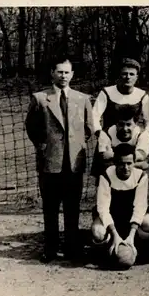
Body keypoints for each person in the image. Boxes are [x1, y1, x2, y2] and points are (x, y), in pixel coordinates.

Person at [25, 56, 94, 263]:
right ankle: (50, 248)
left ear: (72, 75)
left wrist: (75, 144)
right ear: (52, 74)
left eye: (67, 72)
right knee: (51, 208)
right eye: (59, 72)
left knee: (72, 207)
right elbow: (31, 126)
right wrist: (44, 145)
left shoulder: (83, 99)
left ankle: (73, 248)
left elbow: (89, 128)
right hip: (50, 162)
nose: (63, 76)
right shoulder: (40, 98)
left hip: (74, 162)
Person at [91, 58, 149, 183]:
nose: (127, 77)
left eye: (131, 74)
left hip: (131, 141)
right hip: (109, 140)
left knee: (130, 178)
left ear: (136, 77)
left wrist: (146, 133)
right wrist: (100, 133)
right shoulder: (106, 92)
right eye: (124, 73)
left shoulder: (142, 95)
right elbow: (94, 116)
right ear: (119, 75)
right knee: (105, 180)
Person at [91, 143, 149, 269]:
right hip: (112, 217)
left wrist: (131, 235)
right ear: (115, 163)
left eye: (129, 163)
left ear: (134, 162)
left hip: (130, 217)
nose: (126, 167)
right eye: (122, 163)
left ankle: (138, 248)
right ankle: (102, 254)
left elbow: (140, 207)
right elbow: (103, 208)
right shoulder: (106, 175)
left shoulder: (141, 176)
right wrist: (115, 235)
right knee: (98, 231)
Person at [97, 107, 149, 171]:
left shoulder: (142, 134)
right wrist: (138, 164)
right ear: (116, 123)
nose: (125, 129)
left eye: (128, 124)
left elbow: (142, 155)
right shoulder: (105, 133)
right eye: (121, 124)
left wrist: (113, 156)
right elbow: (104, 157)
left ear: (135, 124)